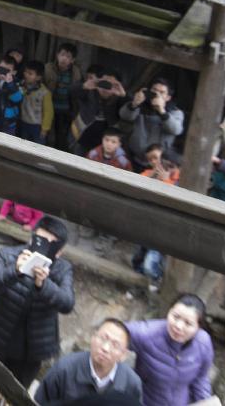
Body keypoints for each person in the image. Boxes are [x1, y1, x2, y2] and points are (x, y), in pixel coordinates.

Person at [0, 216, 75, 403]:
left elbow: (67, 303)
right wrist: (15, 270)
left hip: (31, 351)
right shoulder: (8, 255)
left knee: (14, 398)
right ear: (32, 237)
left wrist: (43, 285)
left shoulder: (62, 269)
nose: (44, 247)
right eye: (40, 240)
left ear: (59, 252)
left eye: (51, 245)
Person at [125, 294, 213, 406]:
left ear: (198, 327)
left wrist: (206, 402)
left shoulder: (203, 343)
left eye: (188, 323)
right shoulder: (147, 334)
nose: (178, 326)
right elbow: (115, 333)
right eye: (175, 317)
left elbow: (200, 378)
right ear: (169, 311)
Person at [35, 319, 143, 405]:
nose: (105, 348)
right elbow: (39, 402)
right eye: (103, 338)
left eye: (115, 345)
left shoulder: (131, 383)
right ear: (93, 337)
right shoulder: (64, 369)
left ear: (123, 355)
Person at [132, 149, 181, 286]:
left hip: (164, 229)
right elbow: (135, 184)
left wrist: (166, 181)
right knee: (138, 259)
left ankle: (157, 281)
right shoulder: (150, 173)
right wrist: (153, 175)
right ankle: (140, 283)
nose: (166, 169)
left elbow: (176, 200)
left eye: (171, 167)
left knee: (151, 263)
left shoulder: (179, 181)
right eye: (164, 164)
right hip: (146, 223)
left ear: (177, 168)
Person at [120, 78, 185, 171]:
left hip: (160, 162)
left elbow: (176, 129)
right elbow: (124, 116)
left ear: (168, 97)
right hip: (134, 158)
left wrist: (162, 111)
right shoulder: (141, 105)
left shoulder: (175, 112)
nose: (157, 94)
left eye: (162, 92)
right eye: (154, 90)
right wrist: (134, 104)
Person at [72, 67, 127, 155]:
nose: (105, 88)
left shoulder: (119, 99)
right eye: (104, 82)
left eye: (110, 84)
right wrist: (84, 86)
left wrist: (124, 95)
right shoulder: (90, 92)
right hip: (82, 138)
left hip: (105, 144)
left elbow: (129, 110)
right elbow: (72, 92)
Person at [45, 43, 81, 151]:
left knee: (61, 135)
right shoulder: (48, 68)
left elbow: (77, 91)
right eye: (62, 55)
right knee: (47, 132)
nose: (64, 58)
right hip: (49, 107)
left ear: (72, 60)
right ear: (57, 55)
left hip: (65, 109)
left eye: (68, 57)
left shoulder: (75, 72)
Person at [18, 60, 53, 144]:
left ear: (38, 77)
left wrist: (45, 129)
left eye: (30, 73)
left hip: (37, 126)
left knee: (38, 147)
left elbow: (48, 112)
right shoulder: (20, 85)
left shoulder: (45, 93)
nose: (26, 75)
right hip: (23, 122)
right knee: (22, 145)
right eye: (25, 72)